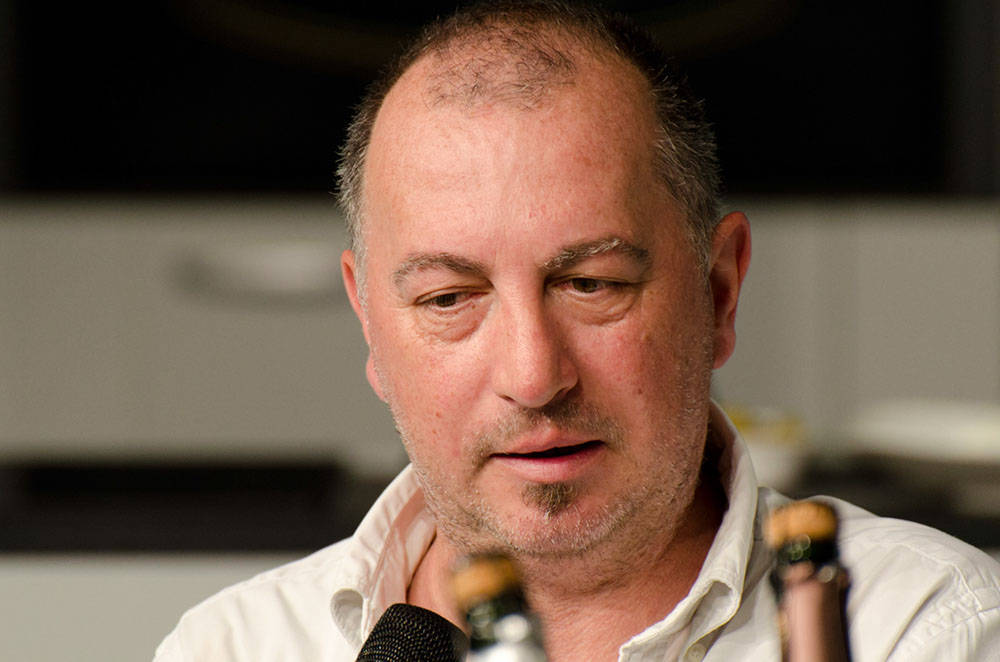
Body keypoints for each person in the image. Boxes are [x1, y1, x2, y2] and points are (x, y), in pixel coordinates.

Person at [154, 2, 1000, 660]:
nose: (533, 375)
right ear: (370, 324)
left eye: (591, 284)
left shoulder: (927, 630)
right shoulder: (232, 647)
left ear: (719, 292)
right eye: (450, 299)